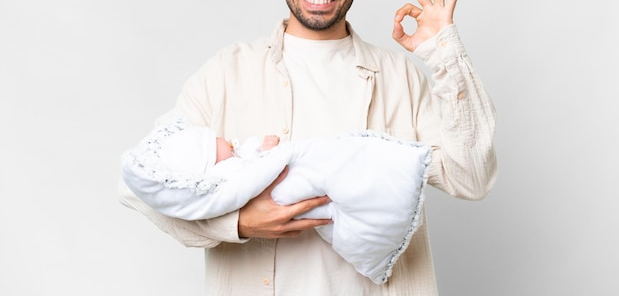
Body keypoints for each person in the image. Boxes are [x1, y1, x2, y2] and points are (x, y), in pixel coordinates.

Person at [119, 0, 497, 295]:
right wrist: (239, 222)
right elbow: (138, 185)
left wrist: (443, 51)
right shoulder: (226, 73)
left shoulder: (399, 77)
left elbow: (472, 176)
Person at [120, 117, 432, 284]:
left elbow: (247, 163)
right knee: (336, 179)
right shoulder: (219, 179)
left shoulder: (229, 166)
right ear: (207, 161)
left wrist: (262, 150)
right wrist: (240, 221)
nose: (229, 142)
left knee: (343, 178)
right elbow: (251, 178)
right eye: (222, 143)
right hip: (288, 195)